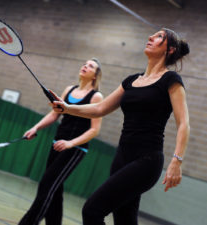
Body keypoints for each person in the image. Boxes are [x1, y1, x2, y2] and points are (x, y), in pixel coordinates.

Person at [50, 28, 190, 225]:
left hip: (147, 161)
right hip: (122, 158)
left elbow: (183, 123)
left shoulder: (171, 80)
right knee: (124, 219)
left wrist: (177, 161)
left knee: (92, 210)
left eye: (159, 36)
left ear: (170, 49)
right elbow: (100, 108)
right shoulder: (131, 80)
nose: (150, 37)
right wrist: (66, 108)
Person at [18, 58, 103, 225]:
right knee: (55, 191)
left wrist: (71, 143)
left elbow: (94, 129)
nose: (85, 66)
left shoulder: (96, 97)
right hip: (56, 145)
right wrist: (36, 127)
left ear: (95, 76)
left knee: (47, 185)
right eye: (84, 64)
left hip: (75, 149)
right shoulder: (69, 90)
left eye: (91, 66)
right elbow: (54, 114)